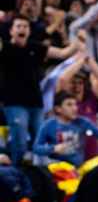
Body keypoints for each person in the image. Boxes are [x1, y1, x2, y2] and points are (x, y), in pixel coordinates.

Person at [0, 15, 81, 164]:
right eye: (18, 26)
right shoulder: (4, 47)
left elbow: (63, 53)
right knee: (20, 142)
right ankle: (16, 173)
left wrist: (78, 40)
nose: (22, 29)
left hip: (36, 103)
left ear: (29, 31)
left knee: (40, 142)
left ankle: (39, 176)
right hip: (14, 103)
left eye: (25, 26)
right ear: (11, 31)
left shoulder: (35, 47)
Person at [33, 91, 98, 167]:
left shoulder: (83, 122)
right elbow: (36, 148)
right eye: (69, 105)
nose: (75, 108)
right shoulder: (48, 125)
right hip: (57, 169)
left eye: (75, 104)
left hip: (78, 168)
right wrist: (53, 149)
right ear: (58, 109)